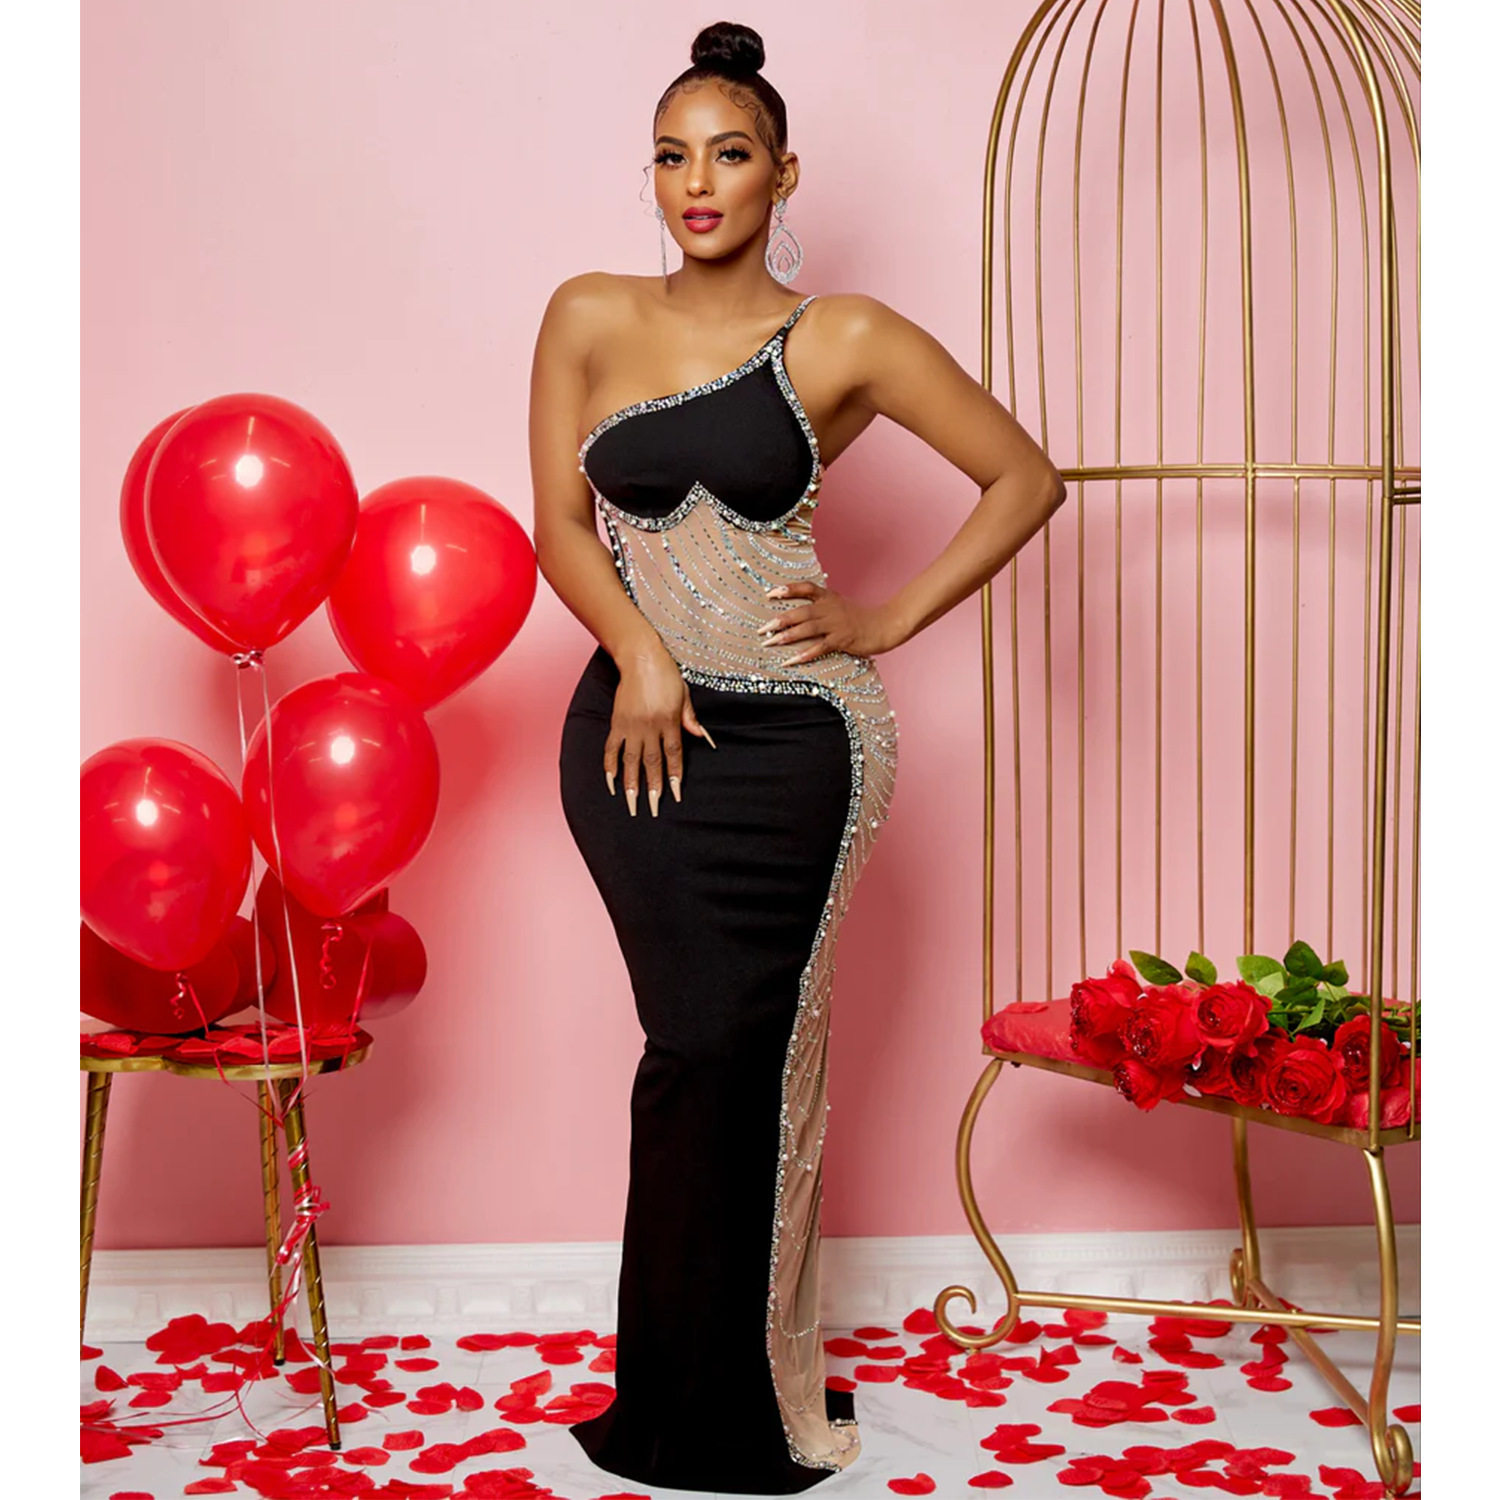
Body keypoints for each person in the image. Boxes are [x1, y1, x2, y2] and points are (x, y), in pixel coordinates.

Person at [529, 20, 1064, 1495]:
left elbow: (1025, 477)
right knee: (687, 1052)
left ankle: (741, 1399)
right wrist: (641, 654)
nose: (698, 183)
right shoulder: (586, 314)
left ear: (783, 174)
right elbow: (559, 526)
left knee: (753, 1052)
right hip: (635, 736)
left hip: (800, 748)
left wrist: (886, 617)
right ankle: (671, 1393)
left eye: (730, 154)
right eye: (672, 156)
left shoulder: (845, 339)